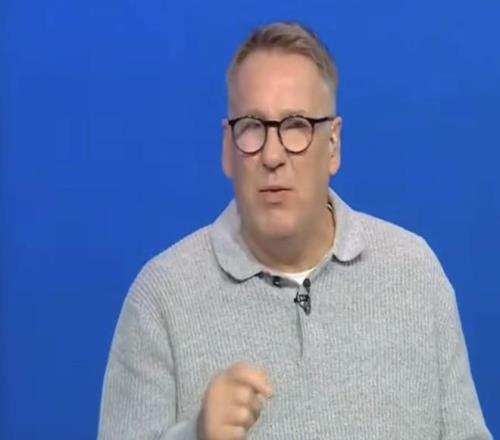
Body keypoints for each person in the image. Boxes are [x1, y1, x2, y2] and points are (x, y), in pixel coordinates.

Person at [98, 22, 492, 439]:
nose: (272, 155)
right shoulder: (161, 298)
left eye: (296, 126)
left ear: (333, 144)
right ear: (228, 149)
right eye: (252, 126)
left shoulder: (415, 275)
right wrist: (196, 435)